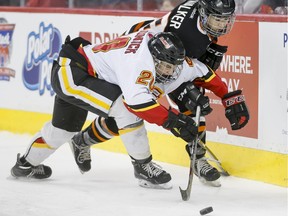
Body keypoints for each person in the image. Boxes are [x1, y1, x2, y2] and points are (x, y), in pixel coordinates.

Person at [10, 30, 249, 190]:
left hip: (79, 67)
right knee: (126, 110)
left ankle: (24, 165)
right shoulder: (139, 63)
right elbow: (138, 104)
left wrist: (227, 96)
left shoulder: (173, 61)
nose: (169, 71)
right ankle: (143, 167)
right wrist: (174, 121)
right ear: (154, 59)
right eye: (164, 65)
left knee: (62, 131)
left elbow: (204, 72)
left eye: (173, 66)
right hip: (72, 73)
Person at [101, 0, 245, 186]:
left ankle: (198, 159)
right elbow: (178, 64)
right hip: (140, 60)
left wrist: (227, 95)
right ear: (203, 12)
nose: (222, 25)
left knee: (192, 104)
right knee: (127, 112)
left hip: (162, 59)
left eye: (225, 19)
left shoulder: (199, 14)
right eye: (216, 19)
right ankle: (84, 140)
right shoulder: (186, 34)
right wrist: (184, 88)